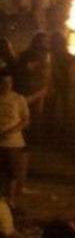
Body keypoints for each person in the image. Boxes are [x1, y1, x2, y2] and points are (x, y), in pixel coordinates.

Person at [0, 73, 30, 209]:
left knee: (12, 172)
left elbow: (26, 120)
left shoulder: (18, 99)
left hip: (13, 142)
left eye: (9, 82)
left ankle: (10, 199)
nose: (7, 85)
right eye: (4, 82)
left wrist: (12, 130)